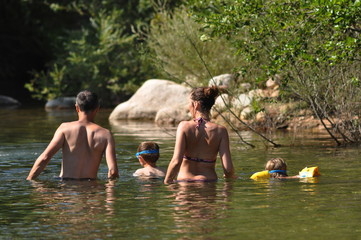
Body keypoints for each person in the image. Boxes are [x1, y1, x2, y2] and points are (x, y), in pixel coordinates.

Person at [27, 90, 119, 180]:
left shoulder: (64, 128)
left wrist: (29, 180)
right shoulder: (105, 134)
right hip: (91, 190)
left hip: (66, 189)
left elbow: (44, 158)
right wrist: (109, 192)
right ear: (97, 108)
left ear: (77, 108)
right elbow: (113, 171)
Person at [164, 86, 236, 184]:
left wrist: (167, 182)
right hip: (208, 183)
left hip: (185, 183)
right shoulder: (221, 131)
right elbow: (228, 169)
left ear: (196, 104)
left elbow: (176, 161)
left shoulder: (184, 126)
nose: (188, 107)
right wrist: (231, 178)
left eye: (189, 103)